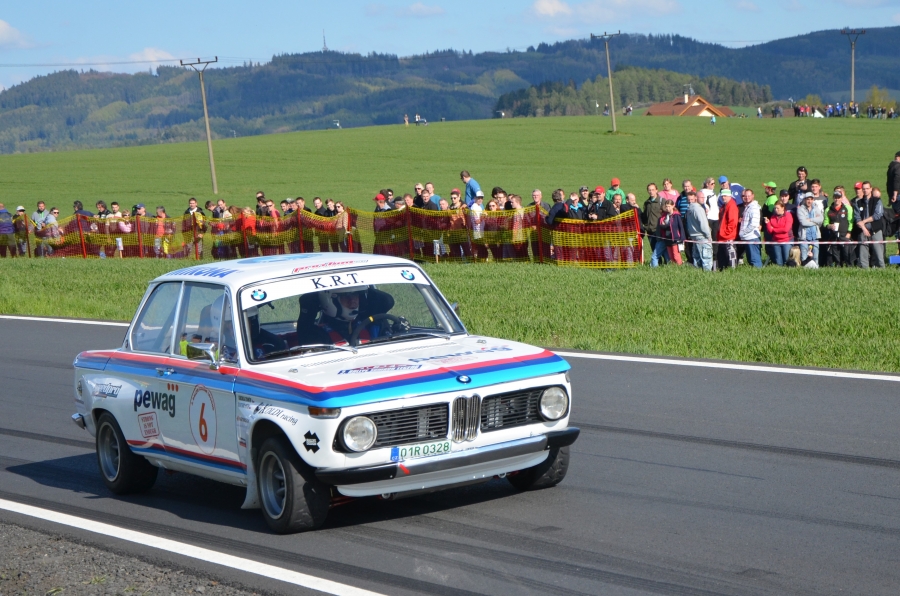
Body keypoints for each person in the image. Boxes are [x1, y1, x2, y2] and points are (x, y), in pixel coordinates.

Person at [854, 181, 885, 268]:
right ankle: (865, 271)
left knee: (879, 254)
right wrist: (864, 228)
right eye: (863, 189)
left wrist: (864, 221)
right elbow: (857, 218)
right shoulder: (858, 202)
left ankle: (883, 270)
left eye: (867, 188)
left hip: (876, 230)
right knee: (863, 254)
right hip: (863, 231)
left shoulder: (877, 201)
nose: (865, 190)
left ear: (871, 189)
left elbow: (877, 215)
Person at [825, 187, 853, 266]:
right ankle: (838, 267)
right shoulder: (828, 210)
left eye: (838, 197)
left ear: (841, 198)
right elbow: (825, 223)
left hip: (844, 234)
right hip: (834, 235)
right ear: (833, 198)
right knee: (836, 255)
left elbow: (851, 222)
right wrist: (829, 226)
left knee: (847, 254)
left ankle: (849, 267)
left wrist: (849, 232)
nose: (837, 199)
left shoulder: (848, 208)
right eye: (835, 197)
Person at [684, 191, 712, 270]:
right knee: (706, 260)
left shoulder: (688, 210)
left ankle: (698, 275)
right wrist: (708, 235)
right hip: (702, 237)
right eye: (689, 200)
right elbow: (703, 224)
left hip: (694, 237)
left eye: (691, 199)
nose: (690, 201)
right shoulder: (698, 209)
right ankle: (707, 276)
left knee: (697, 260)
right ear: (697, 198)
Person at [652, 199, 683, 266]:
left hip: (674, 238)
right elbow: (661, 225)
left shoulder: (676, 215)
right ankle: (674, 268)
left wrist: (682, 238)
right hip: (667, 238)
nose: (667, 208)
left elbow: (680, 227)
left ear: (673, 206)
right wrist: (664, 226)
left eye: (669, 206)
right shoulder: (665, 216)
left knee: (676, 255)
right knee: (671, 256)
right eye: (666, 206)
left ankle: (680, 267)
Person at [797, 193, 823, 265]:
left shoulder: (816, 208)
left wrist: (810, 219)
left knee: (815, 258)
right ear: (805, 200)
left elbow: (821, 219)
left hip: (815, 237)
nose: (809, 201)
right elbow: (803, 222)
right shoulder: (800, 209)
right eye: (808, 199)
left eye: (811, 199)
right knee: (804, 257)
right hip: (804, 237)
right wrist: (815, 222)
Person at [738, 189, 762, 267]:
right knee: (751, 259)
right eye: (745, 196)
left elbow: (753, 224)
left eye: (749, 196)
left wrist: (743, 232)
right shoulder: (748, 207)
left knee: (754, 259)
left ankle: (759, 273)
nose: (747, 197)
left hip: (752, 237)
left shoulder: (754, 207)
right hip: (748, 237)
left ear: (753, 196)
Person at [716, 189, 739, 269]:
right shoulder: (724, 206)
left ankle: (732, 271)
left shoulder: (732, 206)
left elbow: (732, 222)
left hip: (728, 237)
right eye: (722, 196)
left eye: (725, 196)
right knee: (722, 257)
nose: (723, 197)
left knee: (730, 256)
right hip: (722, 237)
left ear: (729, 196)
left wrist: (726, 232)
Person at [643, 183, 663, 258]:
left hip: (659, 230)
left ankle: (668, 263)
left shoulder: (662, 201)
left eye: (653, 190)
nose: (651, 191)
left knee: (663, 250)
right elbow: (645, 216)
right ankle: (658, 263)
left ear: (656, 190)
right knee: (654, 249)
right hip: (650, 231)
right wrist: (646, 226)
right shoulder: (647, 203)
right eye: (649, 190)